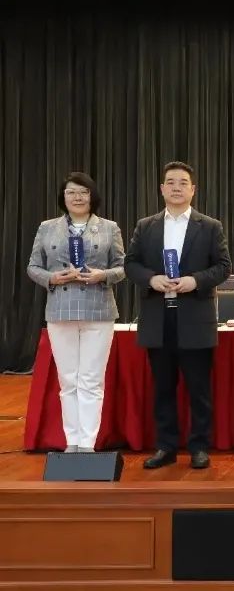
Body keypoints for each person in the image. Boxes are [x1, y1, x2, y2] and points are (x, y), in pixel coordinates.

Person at [124, 161, 231, 469]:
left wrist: (195, 280)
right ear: (161, 189)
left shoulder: (209, 226)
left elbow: (223, 266)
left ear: (193, 189)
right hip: (158, 318)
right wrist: (151, 279)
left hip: (195, 318)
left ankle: (199, 446)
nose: (176, 187)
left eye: (183, 182)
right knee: (163, 389)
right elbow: (131, 264)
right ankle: (166, 446)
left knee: (199, 389)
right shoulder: (146, 226)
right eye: (170, 182)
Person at [27, 172, 125, 453]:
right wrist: (52, 278)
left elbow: (122, 267)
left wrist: (101, 275)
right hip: (60, 310)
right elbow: (33, 267)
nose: (78, 197)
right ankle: (72, 443)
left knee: (91, 380)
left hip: (98, 310)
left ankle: (87, 445)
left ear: (92, 196)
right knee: (68, 380)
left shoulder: (109, 228)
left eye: (83, 192)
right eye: (71, 192)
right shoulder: (47, 227)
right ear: (63, 197)